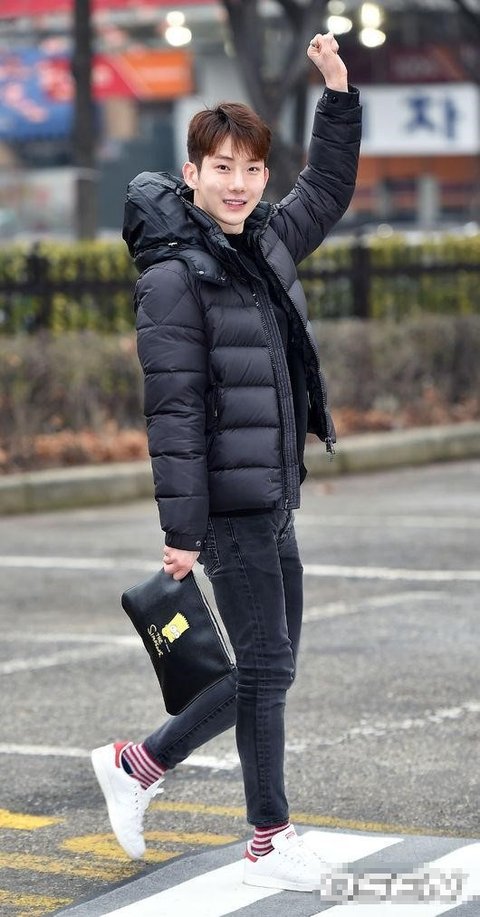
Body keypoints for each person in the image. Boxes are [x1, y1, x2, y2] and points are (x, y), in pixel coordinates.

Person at [91, 32, 361, 892]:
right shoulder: (174, 277)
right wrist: (182, 531)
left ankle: (138, 764)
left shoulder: (264, 244)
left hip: (274, 498)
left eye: (251, 169)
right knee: (267, 668)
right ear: (193, 173)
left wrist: (338, 93)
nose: (239, 183)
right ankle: (266, 837)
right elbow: (172, 411)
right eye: (222, 168)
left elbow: (328, 188)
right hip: (229, 511)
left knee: (268, 670)